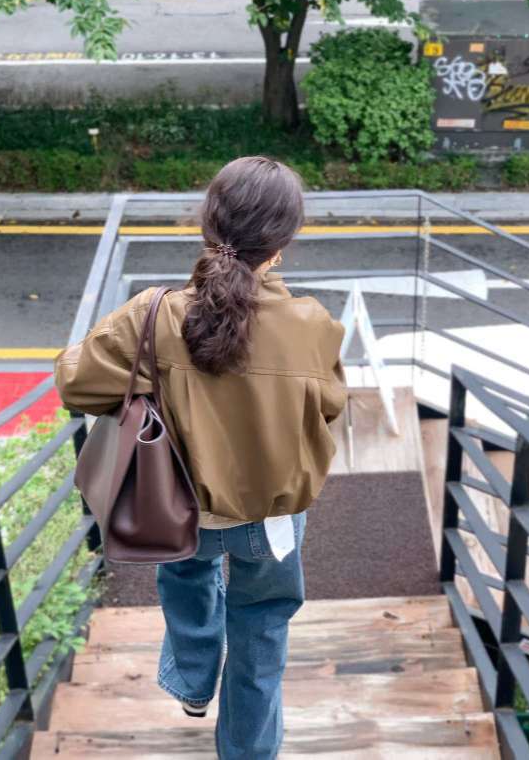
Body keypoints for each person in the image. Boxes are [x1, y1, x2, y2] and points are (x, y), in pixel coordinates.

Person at [54, 155, 348, 760]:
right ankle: (247, 751)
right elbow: (329, 408)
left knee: (186, 575)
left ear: (208, 225)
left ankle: (192, 682)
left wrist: (149, 383)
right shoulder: (311, 325)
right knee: (262, 627)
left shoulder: (152, 314)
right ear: (282, 244)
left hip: (176, 504)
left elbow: (75, 384)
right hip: (271, 518)